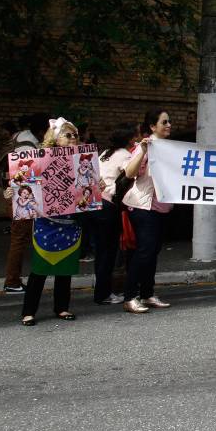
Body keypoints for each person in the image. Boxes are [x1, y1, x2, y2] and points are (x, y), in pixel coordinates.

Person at [19, 118, 84, 326]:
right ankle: (28, 311)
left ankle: (62, 307)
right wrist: (13, 190)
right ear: (55, 138)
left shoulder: (82, 160)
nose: (73, 139)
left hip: (70, 222)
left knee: (64, 269)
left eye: (75, 135)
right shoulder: (40, 160)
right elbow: (24, 182)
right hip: (47, 222)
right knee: (39, 269)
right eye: (68, 135)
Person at [121, 109, 174, 314]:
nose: (168, 125)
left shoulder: (170, 147)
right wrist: (142, 150)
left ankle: (147, 293)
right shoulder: (145, 146)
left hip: (161, 207)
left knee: (152, 251)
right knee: (144, 251)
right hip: (143, 206)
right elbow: (130, 173)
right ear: (152, 127)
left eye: (169, 122)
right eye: (164, 122)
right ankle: (130, 296)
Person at [2, 113, 47, 294]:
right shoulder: (30, 147)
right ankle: (12, 281)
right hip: (22, 200)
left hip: (18, 197)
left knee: (19, 239)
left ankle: (13, 280)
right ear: (42, 130)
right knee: (19, 239)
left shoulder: (18, 138)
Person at [94, 123, 135, 305]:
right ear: (129, 140)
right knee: (109, 252)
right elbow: (130, 174)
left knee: (101, 251)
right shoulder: (125, 155)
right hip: (110, 205)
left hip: (96, 203)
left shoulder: (104, 154)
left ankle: (100, 291)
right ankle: (104, 294)